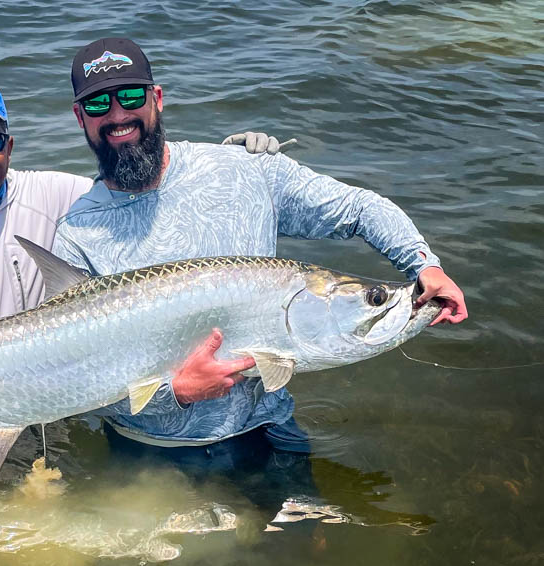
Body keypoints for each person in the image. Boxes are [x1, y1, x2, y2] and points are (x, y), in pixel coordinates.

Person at [52, 38, 468, 477]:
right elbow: (75, 380)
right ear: (81, 117)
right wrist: (176, 391)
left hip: (267, 431)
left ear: (156, 99)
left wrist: (424, 264)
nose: (118, 116)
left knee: (311, 544)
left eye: (130, 97)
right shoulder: (78, 235)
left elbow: (358, 209)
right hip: (149, 452)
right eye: (99, 104)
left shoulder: (248, 170)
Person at [0, 76, 279, 409]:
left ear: (9, 147)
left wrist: (223, 164)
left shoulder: (56, 195)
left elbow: (137, 188)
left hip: (49, 395)